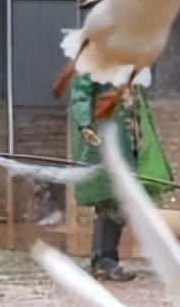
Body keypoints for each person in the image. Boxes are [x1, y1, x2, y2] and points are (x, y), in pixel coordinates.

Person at [68, 74, 173, 282]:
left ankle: (105, 258)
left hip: (129, 138)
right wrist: (85, 124)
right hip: (108, 137)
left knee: (120, 200)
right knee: (112, 198)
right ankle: (104, 261)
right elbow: (80, 91)